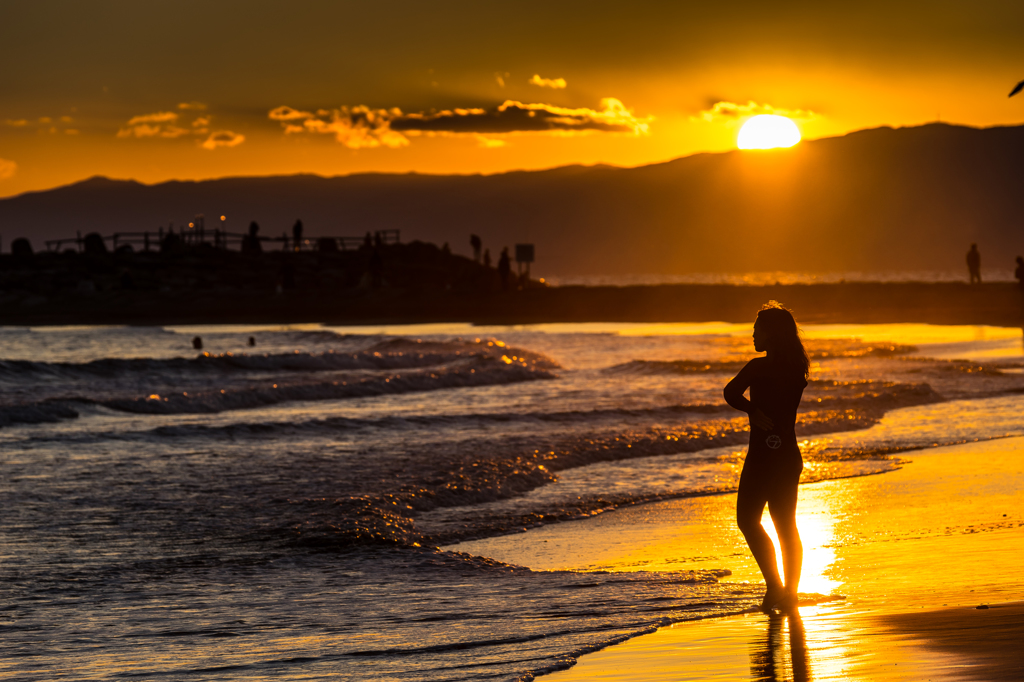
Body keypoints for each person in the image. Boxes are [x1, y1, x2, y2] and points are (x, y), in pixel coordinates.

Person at [724, 301, 809, 613]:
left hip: (764, 456)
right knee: (782, 525)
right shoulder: (796, 368)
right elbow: (731, 392)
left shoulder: (759, 367)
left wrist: (751, 409)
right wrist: (754, 409)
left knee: (750, 520)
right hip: (786, 454)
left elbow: (731, 392)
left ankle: (778, 587)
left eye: (757, 329)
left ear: (771, 333)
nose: (753, 335)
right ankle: (786, 591)